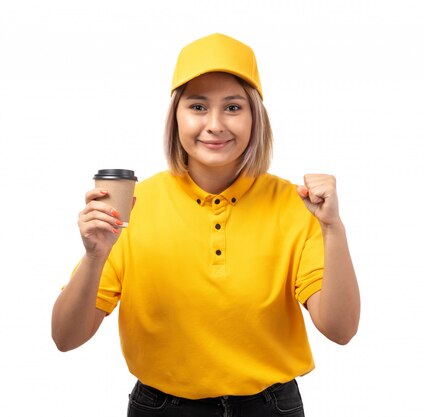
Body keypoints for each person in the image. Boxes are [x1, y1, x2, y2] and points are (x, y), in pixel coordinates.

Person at [51, 33, 360, 416]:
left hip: (271, 407)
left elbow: (340, 330)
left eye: (233, 107)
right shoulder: (134, 205)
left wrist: (334, 229)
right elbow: (65, 338)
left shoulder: (295, 204)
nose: (214, 124)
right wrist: (95, 257)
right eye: (198, 106)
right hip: (161, 407)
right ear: (176, 116)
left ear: (254, 118)